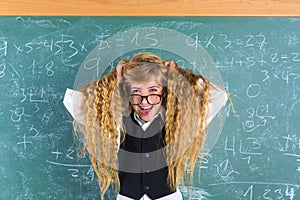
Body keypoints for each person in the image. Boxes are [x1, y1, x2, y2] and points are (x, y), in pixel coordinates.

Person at [63, 52, 228, 200]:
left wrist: (178, 76)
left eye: (153, 91)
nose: (145, 101)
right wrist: (114, 78)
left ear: (164, 91)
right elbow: (72, 99)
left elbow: (219, 95)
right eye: (136, 92)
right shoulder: (114, 126)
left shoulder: (181, 123)